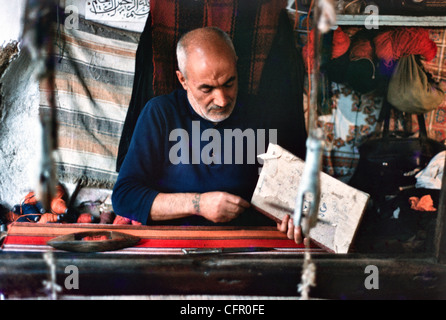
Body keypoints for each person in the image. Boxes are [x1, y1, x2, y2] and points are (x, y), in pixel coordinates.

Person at [112, 27, 304, 244]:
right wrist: (198, 204)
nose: (222, 100)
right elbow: (124, 198)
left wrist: (293, 218)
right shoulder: (161, 114)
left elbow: (294, 195)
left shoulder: (264, 115)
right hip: (176, 247)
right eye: (207, 89)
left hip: (246, 246)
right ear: (183, 80)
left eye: (229, 83)